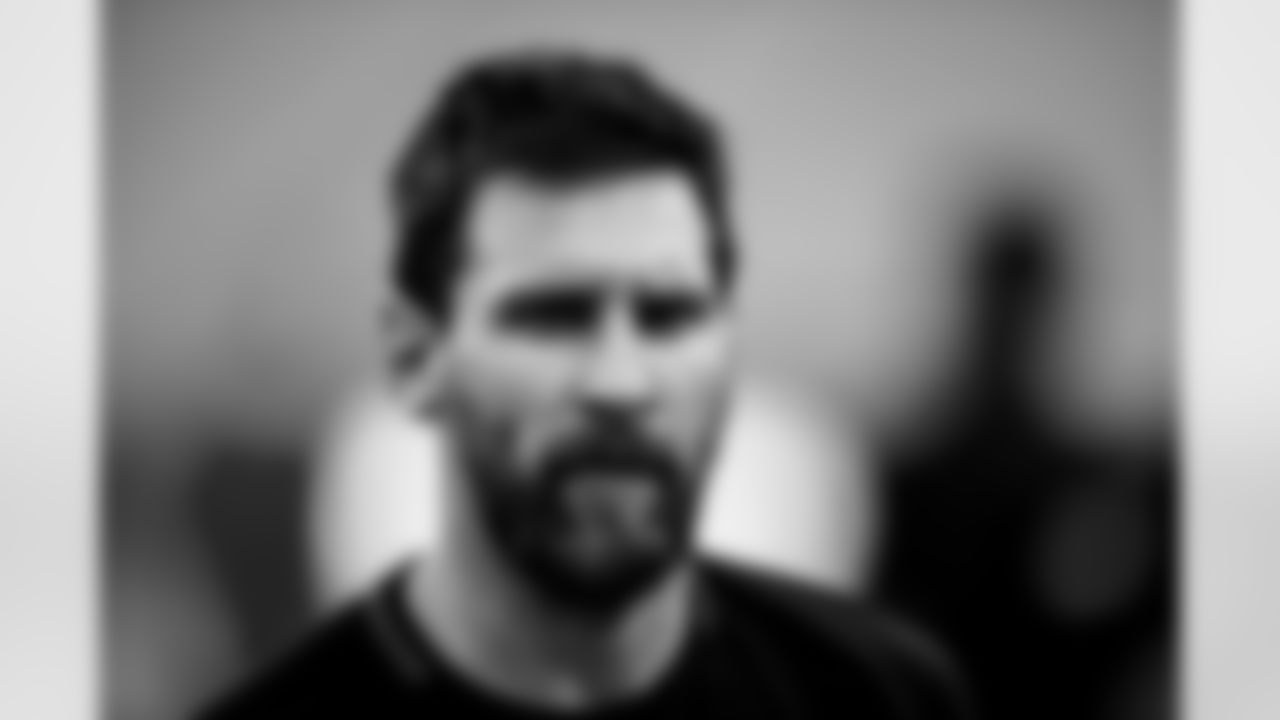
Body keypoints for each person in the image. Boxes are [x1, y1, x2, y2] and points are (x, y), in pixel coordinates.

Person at [199, 49, 971, 719]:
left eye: (669, 316)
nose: (621, 384)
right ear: (414, 360)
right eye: (553, 317)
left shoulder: (885, 697)